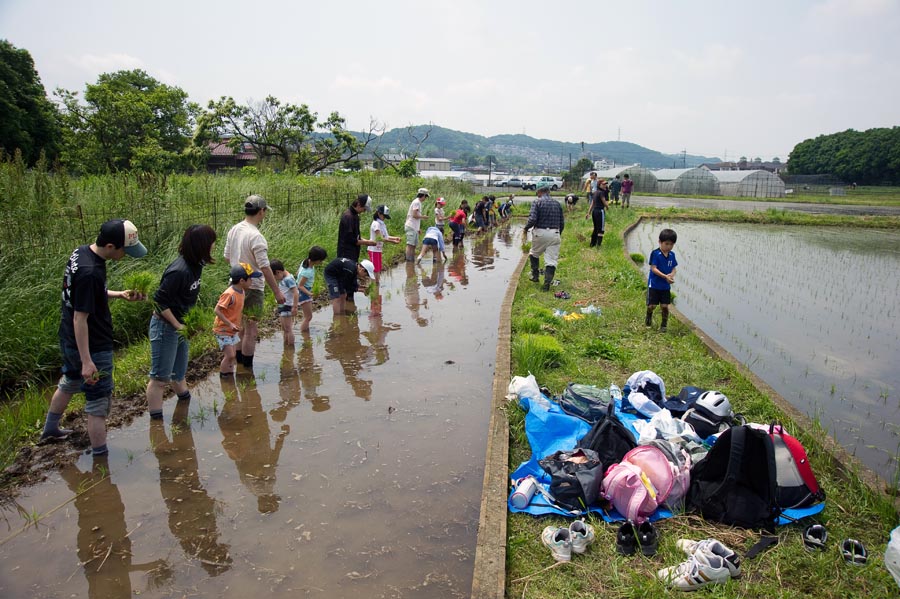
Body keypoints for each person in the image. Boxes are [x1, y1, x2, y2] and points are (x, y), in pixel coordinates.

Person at [40, 219, 148, 457]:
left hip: (70, 338)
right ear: (110, 246)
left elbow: (86, 295)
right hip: (92, 345)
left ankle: (49, 429)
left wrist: (118, 294)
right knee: (98, 402)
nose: (125, 255)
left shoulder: (82, 253)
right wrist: (87, 361)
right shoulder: (91, 272)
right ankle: (101, 458)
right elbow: (81, 318)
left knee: (70, 380)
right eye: (124, 250)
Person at [146, 224, 216, 422]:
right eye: (211, 243)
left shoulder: (197, 264)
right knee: (160, 378)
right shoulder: (179, 270)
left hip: (181, 325)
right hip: (166, 327)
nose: (213, 247)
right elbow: (159, 302)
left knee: (179, 372)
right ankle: (156, 423)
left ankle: (184, 401)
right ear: (201, 245)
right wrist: (177, 324)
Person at [223, 195, 285, 369]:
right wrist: (277, 291)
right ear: (261, 211)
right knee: (251, 328)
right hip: (253, 287)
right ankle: (247, 369)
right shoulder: (256, 236)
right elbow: (265, 267)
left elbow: (227, 258)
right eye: (265, 211)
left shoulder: (234, 229)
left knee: (238, 326)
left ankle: (239, 365)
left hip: (234, 285)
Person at [214, 263, 261, 376]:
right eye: (250, 279)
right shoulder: (229, 294)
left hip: (232, 330)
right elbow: (217, 310)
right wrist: (229, 324)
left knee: (233, 354)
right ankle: (224, 376)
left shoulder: (242, 291)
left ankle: (229, 375)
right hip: (223, 329)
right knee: (230, 355)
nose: (252, 281)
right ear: (241, 281)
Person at [523, 182, 565, 291]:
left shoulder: (537, 202)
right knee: (551, 260)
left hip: (540, 232)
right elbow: (562, 223)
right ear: (549, 192)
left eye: (537, 192)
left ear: (540, 191)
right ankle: (546, 284)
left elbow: (532, 219)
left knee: (534, 253)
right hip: (555, 233)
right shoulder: (557, 203)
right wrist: (558, 233)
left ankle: (535, 276)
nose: (537, 194)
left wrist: (526, 228)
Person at [646, 228, 678, 332]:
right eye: (666, 244)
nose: (669, 247)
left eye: (671, 244)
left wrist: (671, 275)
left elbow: (674, 268)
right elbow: (653, 268)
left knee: (665, 306)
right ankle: (648, 318)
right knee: (652, 305)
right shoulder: (656, 254)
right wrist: (665, 276)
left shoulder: (672, 255)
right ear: (660, 242)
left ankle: (664, 326)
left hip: (665, 286)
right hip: (654, 285)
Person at [296, 245, 328, 332]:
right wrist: (310, 294)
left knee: (307, 316)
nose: (321, 262)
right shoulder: (308, 271)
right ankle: (304, 335)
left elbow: (297, 273)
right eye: (321, 260)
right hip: (304, 293)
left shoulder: (305, 262)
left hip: (301, 291)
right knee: (308, 317)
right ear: (317, 260)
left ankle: (305, 331)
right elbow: (300, 285)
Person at [368, 204, 401, 283]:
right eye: (384, 216)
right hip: (373, 249)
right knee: (375, 269)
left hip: (378, 249)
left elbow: (386, 236)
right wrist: (393, 242)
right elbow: (380, 238)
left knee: (378, 268)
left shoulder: (382, 223)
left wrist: (395, 238)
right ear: (379, 214)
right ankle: (375, 286)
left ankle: (377, 285)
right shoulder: (376, 224)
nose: (384, 219)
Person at [271, 259, 299, 346]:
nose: (275, 279)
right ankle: (286, 346)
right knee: (284, 328)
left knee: (288, 329)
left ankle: (290, 349)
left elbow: (296, 292)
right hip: (282, 306)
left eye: (274, 276)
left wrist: (295, 307)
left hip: (287, 306)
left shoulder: (288, 279)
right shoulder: (285, 277)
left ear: (278, 272)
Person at [404, 187, 430, 261]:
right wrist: (423, 217)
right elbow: (414, 215)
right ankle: (409, 261)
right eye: (426, 197)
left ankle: (411, 261)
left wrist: (418, 229)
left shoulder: (418, 202)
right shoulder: (416, 202)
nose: (425, 198)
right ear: (423, 195)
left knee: (414, 245)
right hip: (411, 226)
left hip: (414, 227)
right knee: (410, 245)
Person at [585, 178, 609, 248]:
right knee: (601, 229)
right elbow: (604, 202)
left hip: (594, 212)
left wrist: (588, 213)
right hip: (600, 211)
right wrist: (607, 207)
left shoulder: (595, 192)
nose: (605, 186)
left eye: (605, 184)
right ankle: (598, 246)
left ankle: (592, 244)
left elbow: (592, 203)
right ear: (599, 185)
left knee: (596, 228)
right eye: (603, 184)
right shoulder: (601, 193)